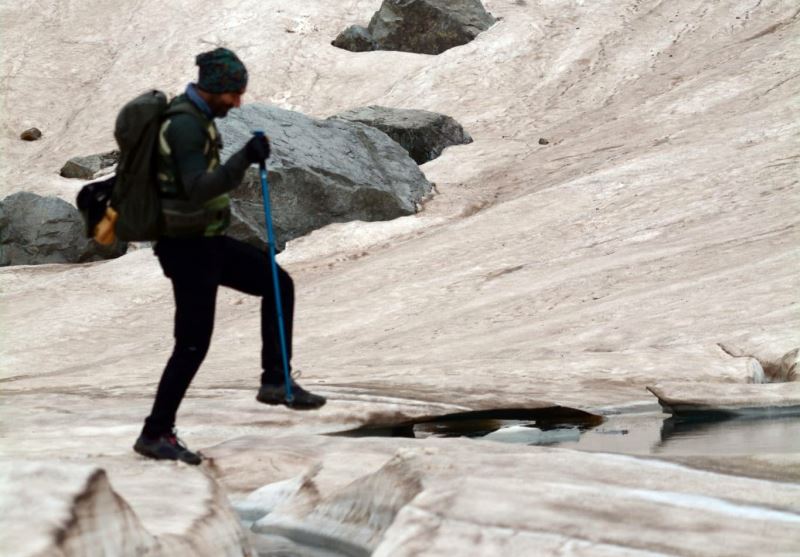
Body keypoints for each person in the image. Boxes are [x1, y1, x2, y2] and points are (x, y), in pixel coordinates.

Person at [133, 47, 326, 466]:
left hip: (206, 240)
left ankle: (276, 382)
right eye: (234, 94)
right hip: (187, 249)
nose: (238, 102)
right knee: (191, 345)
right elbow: (198, 187)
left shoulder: (196, 117)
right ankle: (154, 433)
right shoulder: (185, 125)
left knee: (277, 283)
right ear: (216, 88)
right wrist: (244, 158)